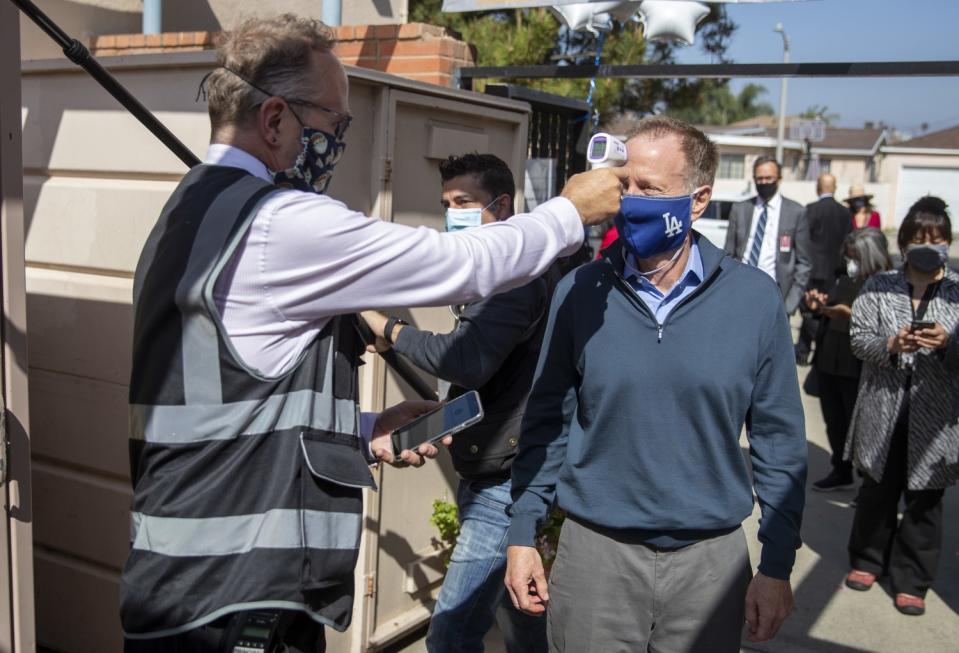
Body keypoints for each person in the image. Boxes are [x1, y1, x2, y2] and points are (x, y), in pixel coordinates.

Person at [120, 15, 628, 652]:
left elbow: (221, 405)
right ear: (275, 119)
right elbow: (458, 265)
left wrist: (361, 433)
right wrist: (570, 213)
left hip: (178, 582)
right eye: (336, 124)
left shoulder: (187, 212)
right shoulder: (279, 222)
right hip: (240, 597)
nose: (338, 141)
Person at [505, 116, 807, 652]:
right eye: (624, 186)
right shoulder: (581, 290)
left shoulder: (754, 300)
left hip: (708, 564)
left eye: (651, 189)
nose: (632, 201)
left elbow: (779, 443)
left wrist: (777, 563)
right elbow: (547, 418)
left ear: (698, 201)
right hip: (596, 556)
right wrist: (523, 532)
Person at [363, 153, 552, 653]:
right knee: (523, 619)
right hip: (493, 469)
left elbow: (464, 359)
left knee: (450, 635)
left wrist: (388, 327)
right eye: (446, 203)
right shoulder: (495, 268)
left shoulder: (517, 274)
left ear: (502, 204)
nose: (452, 214)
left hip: (504, 486)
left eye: (464, 202)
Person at [843, 196, 959, 617]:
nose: (930, 247)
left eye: (939, 239)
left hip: (937, 411)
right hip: (883, 405)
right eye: (921, 239)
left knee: (925, 499)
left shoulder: (958, 291)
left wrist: (949, 343)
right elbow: (858, 340)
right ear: (905, 243)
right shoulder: (879, 285)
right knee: (877, 489)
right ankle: (868, 558)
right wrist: (890, 345)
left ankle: (912, 579)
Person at [804, 228, 892, 491]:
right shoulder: (842, 277)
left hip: (859, 365)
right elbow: (828, 307)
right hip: (830, 358)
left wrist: (851, 315)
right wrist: (818, 306)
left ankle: (869, 483)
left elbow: (888, 328)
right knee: (834, 421)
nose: (850, 262)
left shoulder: (888, 284)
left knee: (864, 428)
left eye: (855, 257)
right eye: (849, 256)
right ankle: (841, 470)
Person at [724, 156, 812, 323]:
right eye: (760, 178)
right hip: (740, 289)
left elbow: (804, 263)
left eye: (769, 178)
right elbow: (728, 253)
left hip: (776, 293)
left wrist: (789, 305)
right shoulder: (740, 209)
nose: (764, 182)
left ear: (778, 179)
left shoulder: (796, 212)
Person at [795, 173, 854, 364]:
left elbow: (802, 241)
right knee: (825, 310)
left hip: (811, 269)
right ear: (835, 188)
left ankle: (807, 351)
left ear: (818, 188)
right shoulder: (845, 213)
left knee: (810, 310)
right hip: (834, 270)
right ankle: (805, 351)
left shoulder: (810, 209)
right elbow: (848, 243)